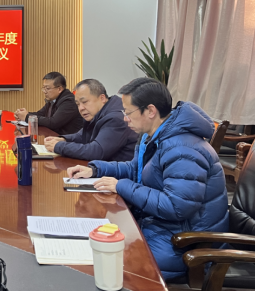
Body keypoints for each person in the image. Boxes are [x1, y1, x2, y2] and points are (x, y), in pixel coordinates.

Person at [66, 78, 228, 280]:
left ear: (150, 111)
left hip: (186, 244)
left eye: (128, 112)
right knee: (97, 246)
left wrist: (122, 186)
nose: (125, 118)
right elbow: (135, 168)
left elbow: (176, 206)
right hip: (160, 227)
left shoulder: (183, 149)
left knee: (107, 263)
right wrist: (96, 169)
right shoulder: (152, 135)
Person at [44, 78, 137, 161]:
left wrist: (59, 146)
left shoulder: (115, 118)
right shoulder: (98, 112)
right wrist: (63, 139)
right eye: (78, 104)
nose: (81, 108)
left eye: (84, 102)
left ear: (102, 98)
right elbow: (83, 135)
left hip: (120, 172)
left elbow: (96, 151)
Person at [14, 71, 83, 134]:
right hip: (54, 137)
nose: (44, 91)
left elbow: (54, 122)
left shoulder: (69, 102)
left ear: (59, 89)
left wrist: (27, 117)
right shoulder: (53, 99)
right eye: (44, 88)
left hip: (68, 140)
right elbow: (40, 114)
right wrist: (23, 114)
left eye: (47, 88)